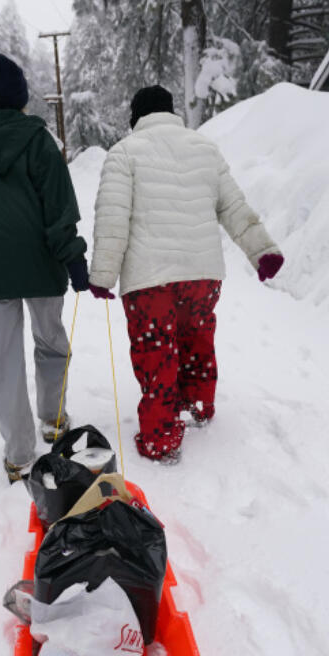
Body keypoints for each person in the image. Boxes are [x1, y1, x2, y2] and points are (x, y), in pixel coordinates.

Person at [87, 85, 283, 463]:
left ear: (136, 117)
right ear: (170, 112)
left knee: (156, 352)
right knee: (196, 339)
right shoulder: (205, 149)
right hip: (202, 275)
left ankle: (160, 439)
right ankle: (197, 405)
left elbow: (113, 220)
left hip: (149, 280)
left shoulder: (124, 153)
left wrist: (103, 275)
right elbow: (234, 206)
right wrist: (263, 250)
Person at [0, 54, 92, 483]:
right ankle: (53, 419)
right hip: (41, 261)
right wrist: (73, 257)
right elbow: (59, 209)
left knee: (4, 360)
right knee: (50, 340)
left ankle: (20, 456)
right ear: (24, 101)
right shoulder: (40, 141)